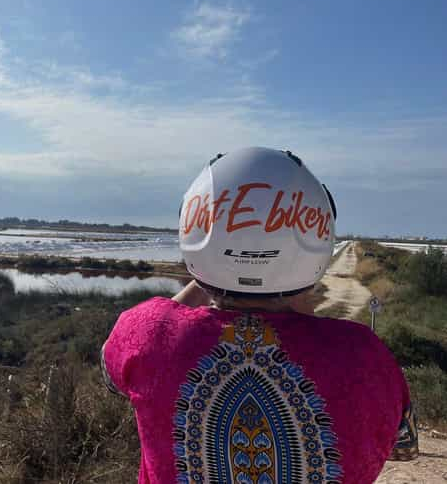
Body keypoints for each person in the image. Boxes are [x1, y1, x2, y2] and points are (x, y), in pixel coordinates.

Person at [101, 147, 418, 483]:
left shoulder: (149, 332)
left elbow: (111, 376)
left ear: (191, 224)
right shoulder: (364, 356)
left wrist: (209, 272)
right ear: (320, 234)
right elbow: (405, 448)